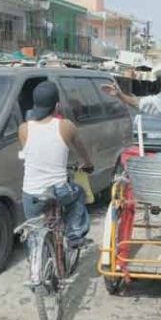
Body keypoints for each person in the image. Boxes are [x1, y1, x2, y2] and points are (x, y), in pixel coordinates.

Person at [19, 81, 94, 262]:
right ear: (57, 105)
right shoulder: (66, 126)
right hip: (58, 191)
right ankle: (75, 235)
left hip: (31, 193)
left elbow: (31, 153)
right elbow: (81, 151)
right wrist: (87, 163)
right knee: (78, 193)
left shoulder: (24, 128)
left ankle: (35, 261)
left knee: (35, 229)